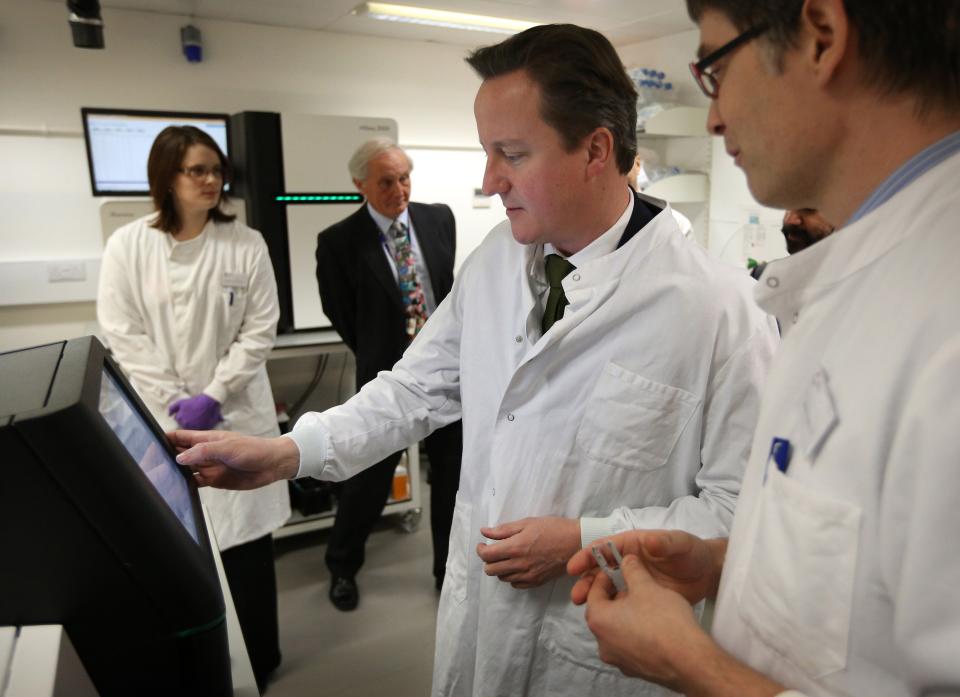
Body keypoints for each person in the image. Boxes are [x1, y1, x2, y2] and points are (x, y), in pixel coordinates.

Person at [172, 24, 779, 697]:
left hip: (594, 648)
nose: (488, 181)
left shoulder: (721, 312)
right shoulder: (496, 262)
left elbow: (738, 511)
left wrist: (590, 535)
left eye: (511, 154)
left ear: (596, 151)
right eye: (487, 152)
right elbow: (412, 391)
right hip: (480, 625)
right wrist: (289, 452)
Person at [568, 1, 960, 696]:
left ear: (822, 36)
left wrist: (692, 664)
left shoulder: (942, 324)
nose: (714, 117)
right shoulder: (865, 273)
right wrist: (732, 562)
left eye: (716, 66)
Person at [97, 125, 290, 692]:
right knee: (179, 545)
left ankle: (262, 657)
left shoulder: (245, 243)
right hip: (162, 417)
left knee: (247, 551)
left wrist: (214, 395)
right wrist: (173, 401)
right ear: (167, 177)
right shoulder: (128, 245)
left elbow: (259, 330)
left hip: (233, 413)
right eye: (196, 170)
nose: (211, 180)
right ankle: (204, 660)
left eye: (216, 169)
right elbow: (121, 331)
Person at [315, 139, 463, 610]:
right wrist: (386, 356)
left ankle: (447, 573)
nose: (399, 189)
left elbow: (446, 289)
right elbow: (341, 313)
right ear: (360, 185)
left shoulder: (438, 218)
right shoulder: (338, 242)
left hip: (449, 374)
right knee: (369, 479)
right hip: (387, 376)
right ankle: (341, 566)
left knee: (453, 477)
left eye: (404, 178)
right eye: (386, 181)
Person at [749, 208, 835, 279]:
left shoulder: (845, 284)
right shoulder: (764, 275)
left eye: (808, 209)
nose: (790, 220)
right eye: (788, 207)